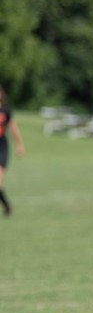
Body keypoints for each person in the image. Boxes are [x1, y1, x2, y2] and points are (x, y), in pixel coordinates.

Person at [0, 85, 25, 217]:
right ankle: (7, 205)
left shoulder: (5, 111)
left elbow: (13, 127)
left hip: (2, 148)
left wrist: (19, 144)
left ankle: (6, 206)